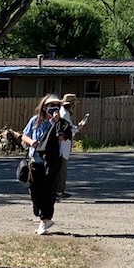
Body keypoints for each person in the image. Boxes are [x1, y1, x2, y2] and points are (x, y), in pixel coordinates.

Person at [21, 94, 65, 234]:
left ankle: (44, 220)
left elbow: (62, 138)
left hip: (52, 161)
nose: (54, 108)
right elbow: (24, 135)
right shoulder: (35, 121)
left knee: (48, 191)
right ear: (44, 107)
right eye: (51, 105)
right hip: (35, 160)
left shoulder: (60, 123)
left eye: (57, 105)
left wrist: (57, 122)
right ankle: (40, 214)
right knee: (34, 190)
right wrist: (31, 142)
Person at [55, 93, 85, 198]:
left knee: (61, 169)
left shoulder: (65, 113)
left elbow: (69, 128)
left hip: (64, 146)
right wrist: (77, 128)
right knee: (62, 170)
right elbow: (66, 131)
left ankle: (58, 190)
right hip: (62, 147)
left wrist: (77, 127)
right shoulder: (64, 115)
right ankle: (59, 191)